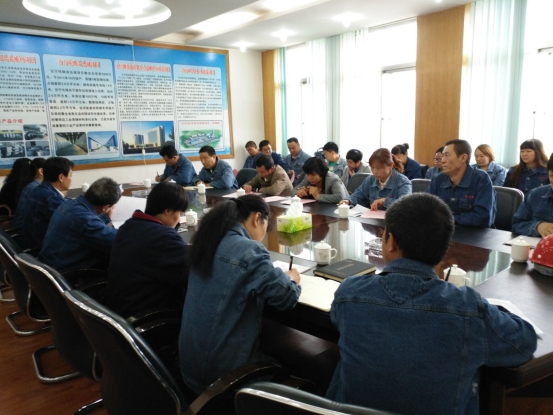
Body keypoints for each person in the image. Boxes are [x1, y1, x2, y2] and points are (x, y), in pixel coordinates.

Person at [327, 192, 537, 415]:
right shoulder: (467, 308)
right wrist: (485, 308)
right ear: (445, 249)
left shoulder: (349, 293)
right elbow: (523, 342)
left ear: (391, 242)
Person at [179, 195, 301, 394]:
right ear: (257, 218)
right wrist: (291, 279)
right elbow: (286, 297)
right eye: (265, 227)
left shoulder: (208, 240)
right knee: (300, 367)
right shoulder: (249, 250)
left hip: (189, 369)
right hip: (225, 379)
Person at [107, 181, 190, 318]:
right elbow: (194, 270)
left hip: (119, 309)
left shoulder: (129, 225)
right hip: (144, 317)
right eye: (180, 213)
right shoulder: (164, 238)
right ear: (168, 211)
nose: (179, 218)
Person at [38, 177, 121, 273]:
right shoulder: (86, 221)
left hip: (48, 267)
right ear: (105, 207)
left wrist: (105, 217)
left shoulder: (69, 203)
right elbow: (117, 239)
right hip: (66, 274)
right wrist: (133, 227)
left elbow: (86, 224)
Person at [427, 139, 496, 228]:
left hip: (475, 233)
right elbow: (426, 207)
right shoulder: (439, 179)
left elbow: (482, 218)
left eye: (447, 155)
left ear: (463, 158)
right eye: (442, 156)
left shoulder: (481, 179)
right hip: (445, 230)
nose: (442, 160)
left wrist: (447, 219)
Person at [22, 157, 74, 249]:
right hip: (43, 249)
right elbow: (71, 224)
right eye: (70, 175)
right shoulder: (51, 198)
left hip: (31, 244)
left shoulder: (38, 189)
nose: (71, 179)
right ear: (61, 177)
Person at [339, 148, 411, 211]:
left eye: (379, 168)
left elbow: (405, 205)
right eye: (372, 167)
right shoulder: (370, 180)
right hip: (372, 219)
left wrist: (384, 201)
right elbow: (359, 195)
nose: (375, 171)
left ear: (390, 165)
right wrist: (348, 201)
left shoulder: (403, 182)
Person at [511, 153, 553, 237]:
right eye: (552, 176)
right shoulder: (535, 195)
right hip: (540, 244)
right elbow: (516, 225)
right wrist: (537, 227)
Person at [12, 158, 46, 229]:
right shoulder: (36, 188)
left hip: (21, 225)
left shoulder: (32, 184)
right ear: (41, 171)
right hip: (22, 229)